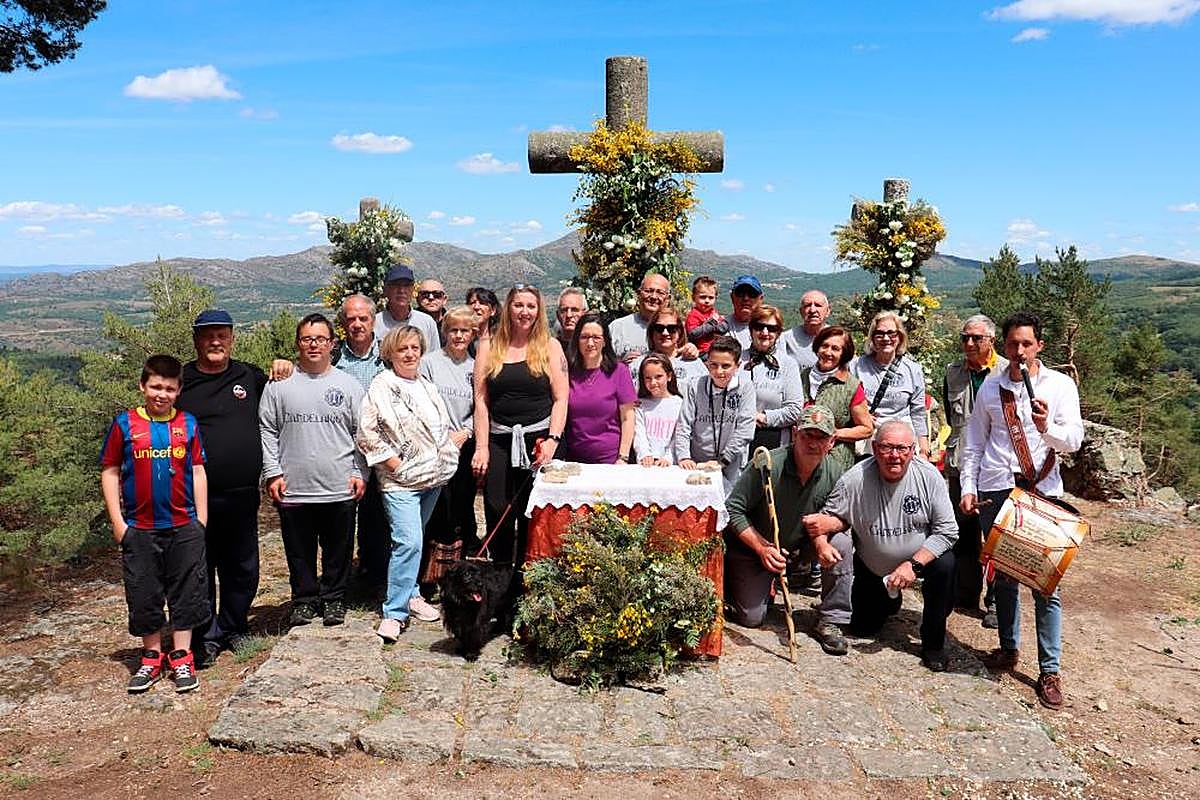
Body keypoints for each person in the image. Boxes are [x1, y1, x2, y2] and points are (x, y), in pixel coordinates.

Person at [959, 311, 1084, 710]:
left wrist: (1047, 426)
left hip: (1042, 490)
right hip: (996, 489)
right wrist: (967, 487)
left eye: (1026, 344)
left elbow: (1073, 442)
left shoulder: (1060, 386)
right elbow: (974, 443)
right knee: (1005, 579)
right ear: (1004, 346)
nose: (1019, 352)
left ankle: (1049, 670)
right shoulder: (991, 387)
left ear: (1039, 347)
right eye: (1013, 344)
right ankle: (1008, 648)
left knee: (1047, 584)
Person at [803, 420, 959, 672]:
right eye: (887, 448)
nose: (894, 456)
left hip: (921, 563)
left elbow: (948, 531)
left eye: (902, 449)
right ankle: (888, 600)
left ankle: (933, 643)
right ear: (874, 449)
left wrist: (914, 565)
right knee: (864, 628)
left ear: (913, 450)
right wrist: (821, 540)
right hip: (873, 570)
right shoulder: (855, 479)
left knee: (946, 564)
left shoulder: (929, 477)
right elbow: (827, 518)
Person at [101, 354, 209, 693]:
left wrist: (201, 519)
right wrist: (118, 523)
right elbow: (110, 470)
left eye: (169, 388)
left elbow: (197, 470)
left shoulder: (188, 424)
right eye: (155, 387)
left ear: (179, 391)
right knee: (144, 592)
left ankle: (181, 657)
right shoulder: (125, 424)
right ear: (143, 386)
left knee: (186, 591)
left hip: (184, 524)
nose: (161, 394)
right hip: (140, 527)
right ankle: (151, 657)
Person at [260, 313, 368, 628]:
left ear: (333, 344)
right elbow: (267, 430)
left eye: (320, 339)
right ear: (298, 343)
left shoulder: (348, 386)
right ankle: (305, 601)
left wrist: (360, 473)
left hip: (339, 484)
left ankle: (334, 599)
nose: (314, 345)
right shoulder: (278, 387)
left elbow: (362, 434)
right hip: (294, 485)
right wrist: (273, 472)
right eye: (307, 339)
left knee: (339, 549)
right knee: (299, 550)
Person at [176, 309, 266, 670]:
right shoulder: (181, 380)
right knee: (199, 565)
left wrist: (284, 367)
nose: (215, 341)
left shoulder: (249, 376)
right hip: (192, 495)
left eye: (222, 335)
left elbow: (284, 395)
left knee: (242, 565)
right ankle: (204, 635)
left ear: (231, 338)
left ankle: (234, 625)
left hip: (242, 492)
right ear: (197, 340)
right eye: (208, 335)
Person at [358, 326, 460, 641]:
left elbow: (441, 427)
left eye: (415, 347)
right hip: (400, 482)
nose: (410, 353)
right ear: (391, 352)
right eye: (403, 348)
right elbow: (367, 432)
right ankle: (394, 612)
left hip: (432, 479)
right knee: (409, 542)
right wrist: (395, 465)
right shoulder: (382, 385)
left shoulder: (426, 386)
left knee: (416, 539)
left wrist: (448, 454)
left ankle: (412, 593)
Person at [724, 405, 853, 654]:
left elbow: (844, 517)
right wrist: (762, 548)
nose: (813, 443)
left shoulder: (836, 473)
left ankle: (831, 619)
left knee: (842, 544)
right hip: (756, 549)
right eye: (807, 435)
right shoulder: (767, 464)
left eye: (821, 437)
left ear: (832, 441)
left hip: (799, 548)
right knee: (752, 618)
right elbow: (733, 509)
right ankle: (752, 586)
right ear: (795, 434)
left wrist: (825, 537)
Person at [472, 285, 569, 567]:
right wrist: (481, 447)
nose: (524, 312)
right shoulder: (488, 346)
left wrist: (552, 440)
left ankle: (529, 580)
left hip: (540, 440)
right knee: (497, 507)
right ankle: (500, 576)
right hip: (500, 439)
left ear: (539, 311)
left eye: (530, 306)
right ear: (508, 308)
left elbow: (561, 398)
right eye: (518, 305)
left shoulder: (551, 346)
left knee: (534, 511)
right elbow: (481, 399)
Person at [942, 314, 1008, 627]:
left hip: (995, 468)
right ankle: (966, 592)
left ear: (991, 341)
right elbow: (951, 417)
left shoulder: (1008, 372)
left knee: (995, 535)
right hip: (959, 464)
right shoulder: (953, 372)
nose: (969, 343)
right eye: (965, 338)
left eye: (976, 338)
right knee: (964, 533)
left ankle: (996, 601)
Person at [419, 305, 481, 593]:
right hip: (433, 446)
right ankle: (429, 576)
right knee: (434, 511)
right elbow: (422, 400)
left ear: (473, 333)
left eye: (464, 330)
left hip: (463, 446)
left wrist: (465, 432)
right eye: (453, 330)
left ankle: (457, 575)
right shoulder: (430, 363)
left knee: (460, 509)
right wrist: (442, 435)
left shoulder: (476, 366)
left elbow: (481, 405)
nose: (458, 335)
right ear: (445, 331)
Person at [332, 294, 389, 589]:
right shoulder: (332, 359)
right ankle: (340, 584)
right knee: (341, 522)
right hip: (342, 449)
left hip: (382, 450)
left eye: (362, 318)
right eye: (351, 319)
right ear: (343, 324)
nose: (357, 324)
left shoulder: (389, 356)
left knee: (378, 517)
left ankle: (375, 576)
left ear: (373, 320)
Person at [673, 335, 757, 494]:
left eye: (726, 366)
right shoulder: (695, 386)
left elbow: (745, 431)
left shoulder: (746, 388)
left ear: (737, 365)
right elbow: (684, 424)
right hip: (697, 462)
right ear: (706, 364)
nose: (719, 371)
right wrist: (684, 457)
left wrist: (722, 461)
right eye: (713, 365)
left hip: (731, 463)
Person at [852, 311, 930, 459]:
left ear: (899, 337)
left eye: (891, 333)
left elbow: (918, 412)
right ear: (872, 338)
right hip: (869, 440)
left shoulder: (913, 370)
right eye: (880, 334)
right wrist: (861, 416)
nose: (886, 338)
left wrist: (924, 450)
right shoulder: (856, 367)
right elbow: (847, 403)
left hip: (902, 440)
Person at [563, 314, 637, 464]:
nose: (590, 343)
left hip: (611, 461)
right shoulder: (567, 373)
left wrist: (623, 458)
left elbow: (628, 418)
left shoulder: (619, 371)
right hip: (575, 461)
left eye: (596, 337)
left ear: (605, 342)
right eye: (584, 337)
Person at [800, 325, 874, 471]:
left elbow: (866, 429)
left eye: (835, 349)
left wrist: (834, 433)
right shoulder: (802, 377)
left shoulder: (851, 386)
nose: (828, 352)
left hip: (834, 462)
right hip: (800, 457)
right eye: (824, 346)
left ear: (844, 354)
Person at [741, 304, 804, 453]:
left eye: (771, 328)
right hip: (736, 442)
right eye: (759, 326)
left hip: (773, 442)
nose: (765, 332)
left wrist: (763, 418)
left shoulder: (788, 365)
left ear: (778, 333)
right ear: (751, 329)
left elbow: (795, 409)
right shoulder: (736, 359)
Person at [609, 273, 698, 363]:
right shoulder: (617, 327)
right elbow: (601, 362)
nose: (653, 297)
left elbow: (684, 353)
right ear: (639, 294)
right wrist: (620, 365)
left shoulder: (675, 328)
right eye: (648, 291)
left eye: (660, 293)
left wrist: (691, 350)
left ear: (668, 298)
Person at [633, 306, 710, 389]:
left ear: (679, 332)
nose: (665, 333)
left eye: (671, 328)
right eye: (659, 328)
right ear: (652, 332)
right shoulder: (637, 364)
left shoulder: (695, 364)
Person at [375, 264, 440, 354]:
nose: (401, 290)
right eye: (395, 285)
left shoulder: (427, 322)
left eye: (406, 285)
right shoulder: (374, 324)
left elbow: (434, 360)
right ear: (385, 289)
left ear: (413, 289)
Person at [633, 354, 683, 466]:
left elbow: (679, 435)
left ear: (669, 376)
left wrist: (668, 458)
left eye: (658, 377)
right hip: (646, 464)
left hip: (670, 464)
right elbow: (639, 433)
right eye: (648, 378)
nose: (653, 383)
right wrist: (644, 454)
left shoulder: (679, 404)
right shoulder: (640, 404)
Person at [780, 290, 831, 370]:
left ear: (828, 311)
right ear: (801, 311)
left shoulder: (838, 338)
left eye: (818, 305)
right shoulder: (786, 339)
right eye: (807, 305)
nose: (812, 310)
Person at [685, 275, 728, 355]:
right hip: (701, 352)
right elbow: (693, 334)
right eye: (703, 297)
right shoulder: (694, 315)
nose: (707, 301)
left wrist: (718, 325)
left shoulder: (713, 312)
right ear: (694, 298)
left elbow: (723, 328)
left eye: (711, 298)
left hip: (714, 349)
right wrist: (712, 324)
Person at [727, 275, 764, 348]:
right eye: (740, 293)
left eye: (752, 294)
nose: (746, 298)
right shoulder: (718, 327)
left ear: (761, 299)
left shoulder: (770, 330)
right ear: (732, 297)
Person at [466, 286, 500, 357]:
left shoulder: (501, 340)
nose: (476, 307)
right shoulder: (461, 339)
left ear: (493, 310)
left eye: (482, 303)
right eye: (472, 303)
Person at [554, 287, 588, 355]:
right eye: (564, 310)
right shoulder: (551, 349)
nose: (569, 315)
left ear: (584, 314)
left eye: (574, 310)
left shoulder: (591, 348)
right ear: (558, 315)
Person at [416, 278, 449, 344]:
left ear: (444, 299)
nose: (431, 298)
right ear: (417, 299)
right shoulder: (409, 322)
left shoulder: (453, 323)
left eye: (437, 295)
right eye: (425, 294)